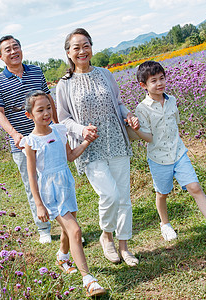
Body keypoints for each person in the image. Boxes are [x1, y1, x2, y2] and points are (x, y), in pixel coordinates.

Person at [56, 28, 140, 266]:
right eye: (76, 47)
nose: (82, 51)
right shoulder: (65, 84)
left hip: (116, 140)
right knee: (109, 194)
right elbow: (63, 119)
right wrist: (81, 130)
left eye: (86, 45)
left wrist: (129, 115)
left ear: (91, 47)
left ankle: (124, 246)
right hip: (89, 147)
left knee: (123, 197)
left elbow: (119, 103)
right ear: (69, 53)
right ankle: (106, 235)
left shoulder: (105, 74)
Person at [130, 60, 206, 244]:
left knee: (195, 187)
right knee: (162, 193)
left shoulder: (171, 100)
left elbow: (175, 124)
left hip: (178, 153)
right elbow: (148, 138)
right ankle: (165, 224)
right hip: (158, 158)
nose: (159, 83)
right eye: (153, 81)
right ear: (143, 85)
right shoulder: (142, 108)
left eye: (162, 78)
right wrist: (138, 129)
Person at [21, 90, 106, 297]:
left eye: (48, 108)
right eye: (40, 110)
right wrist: (39, 204)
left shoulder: (59, 130)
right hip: (49, 191)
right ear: (29, 115)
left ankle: (62, 257)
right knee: (75, 230)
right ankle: (89, 280)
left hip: (66, 184)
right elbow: (32, 176)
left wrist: (86, 142)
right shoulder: (30, 142)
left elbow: (70, 156)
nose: (46, 113)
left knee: (69, 231)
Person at [0, 35, 58, 244]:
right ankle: (43, 228)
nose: (13, 52)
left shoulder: (36, 71)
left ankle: (65, 224)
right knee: (32, 184)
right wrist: (14, 134)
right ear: (1, 57)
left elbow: (48, 99)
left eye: (16, 47)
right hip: (22, 142)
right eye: (8, 50)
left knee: (56, 180)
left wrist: (57, 125)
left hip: (47, 137)